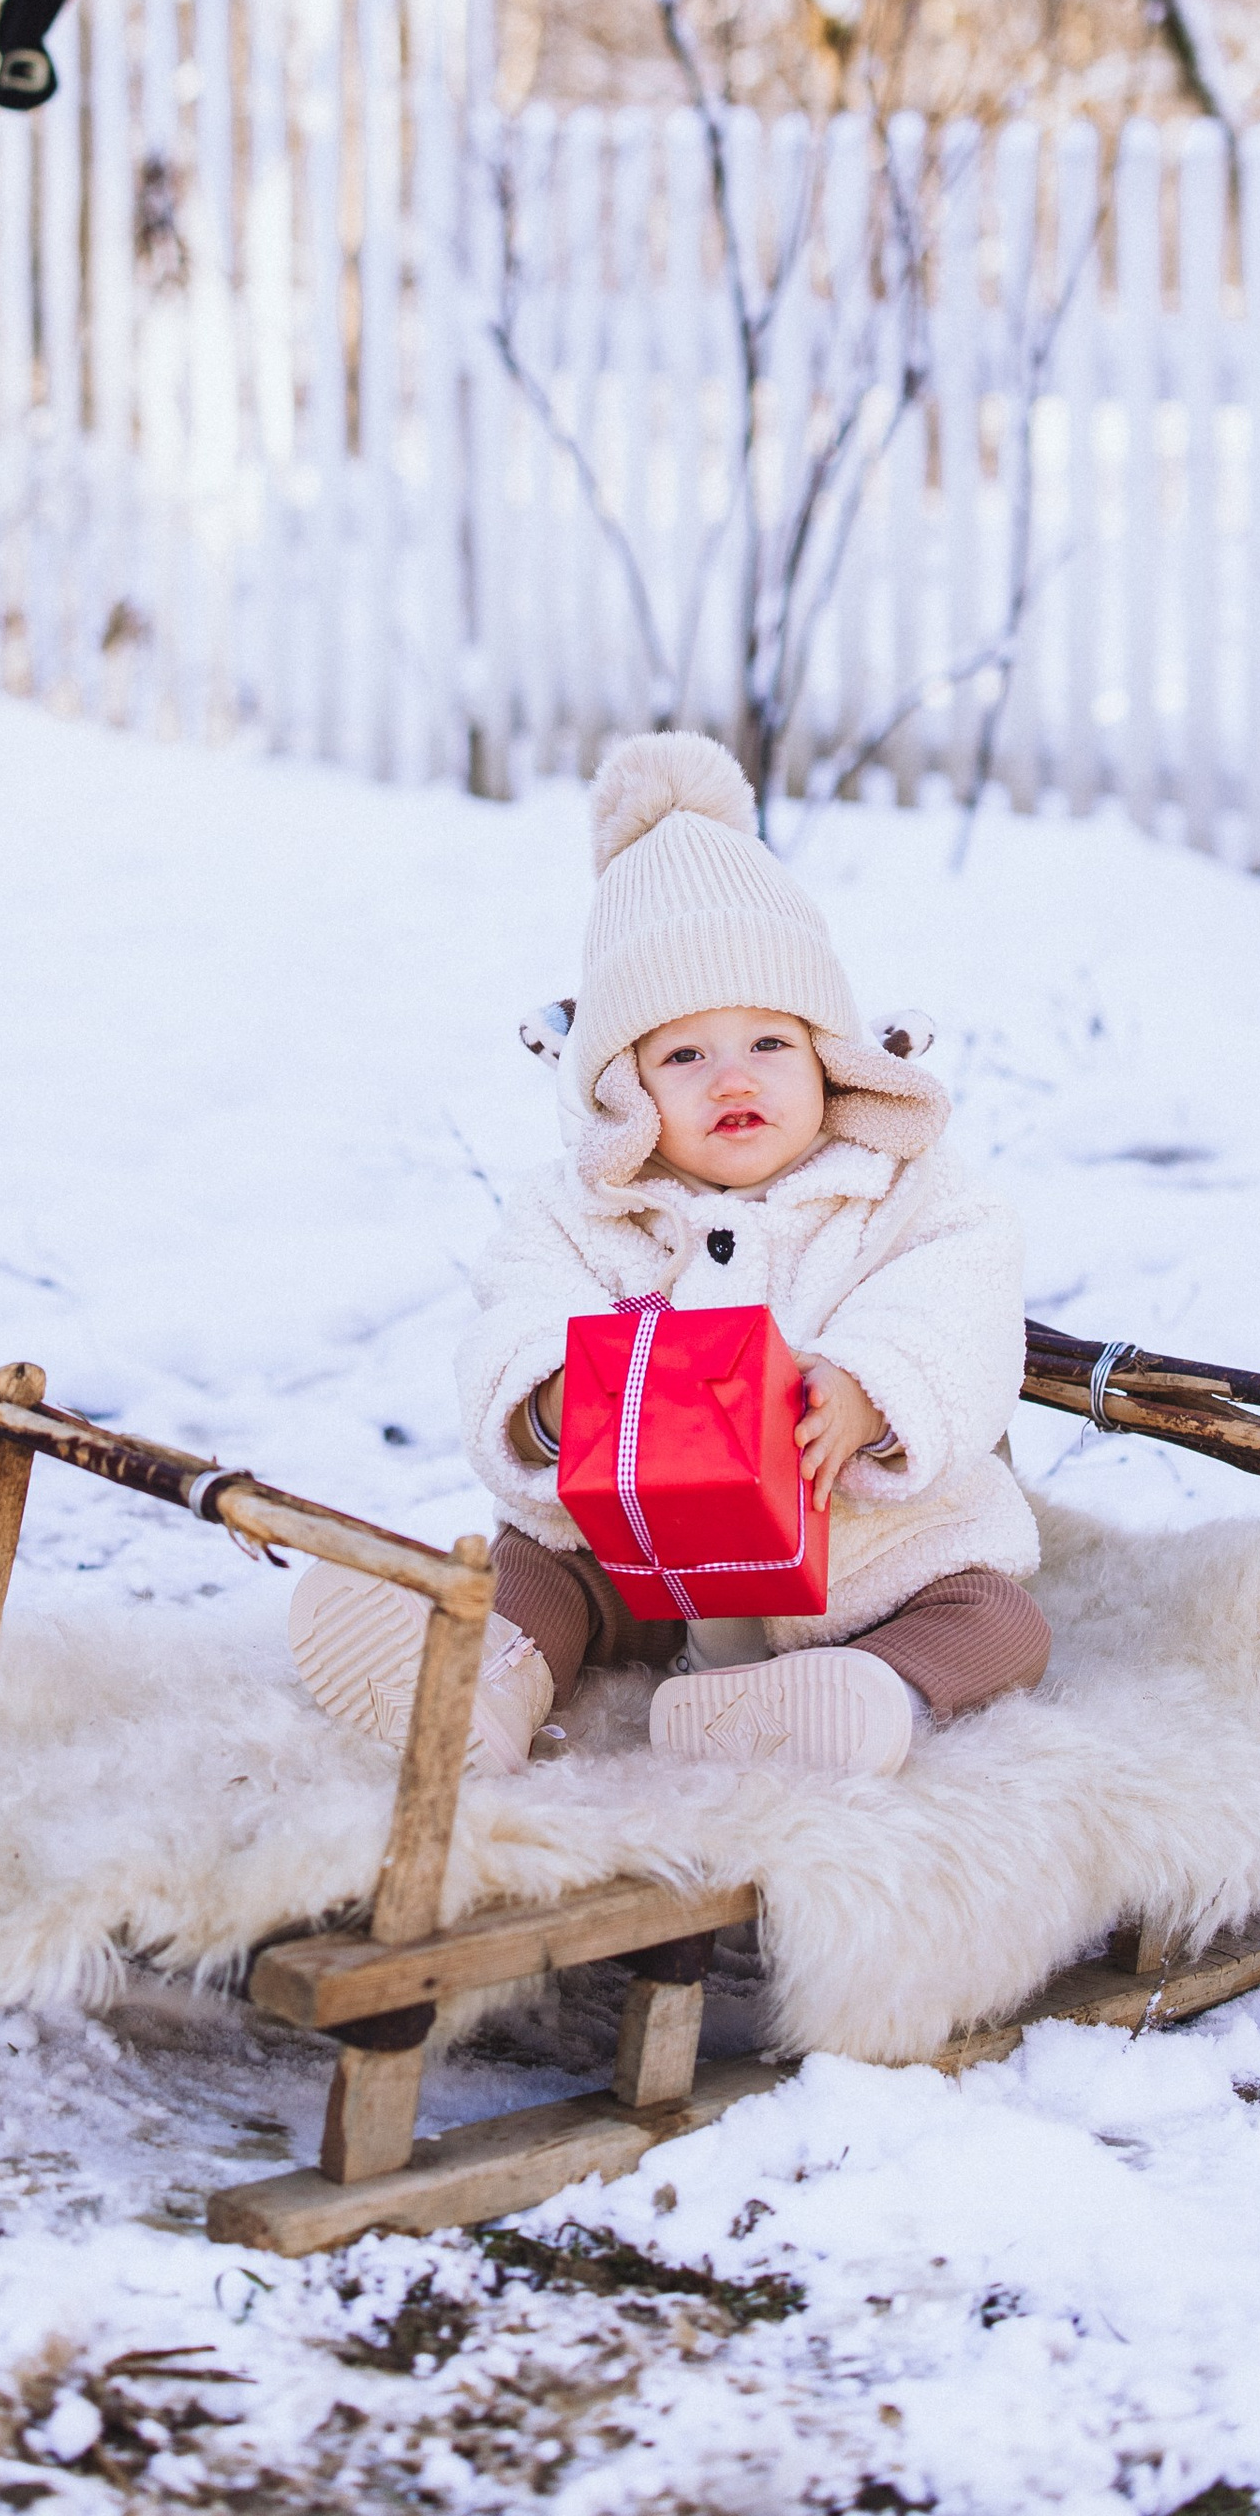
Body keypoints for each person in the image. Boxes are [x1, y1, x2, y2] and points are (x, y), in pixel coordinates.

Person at [288, 730, 1050, 1780]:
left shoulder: (900, 1184)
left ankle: (869, 1695)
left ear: (828, 1058)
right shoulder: (583, 1208)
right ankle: (481, 1681)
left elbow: (959, 1298)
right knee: (539, 1570)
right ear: (626, 1087)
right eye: (685, 1054)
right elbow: (515, 1308)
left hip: (868, 1563)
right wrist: (552, 1395)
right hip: (639, 1556)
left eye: (769, 1043)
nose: (732, 1078)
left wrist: (873, 1392)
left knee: (998, 1620)